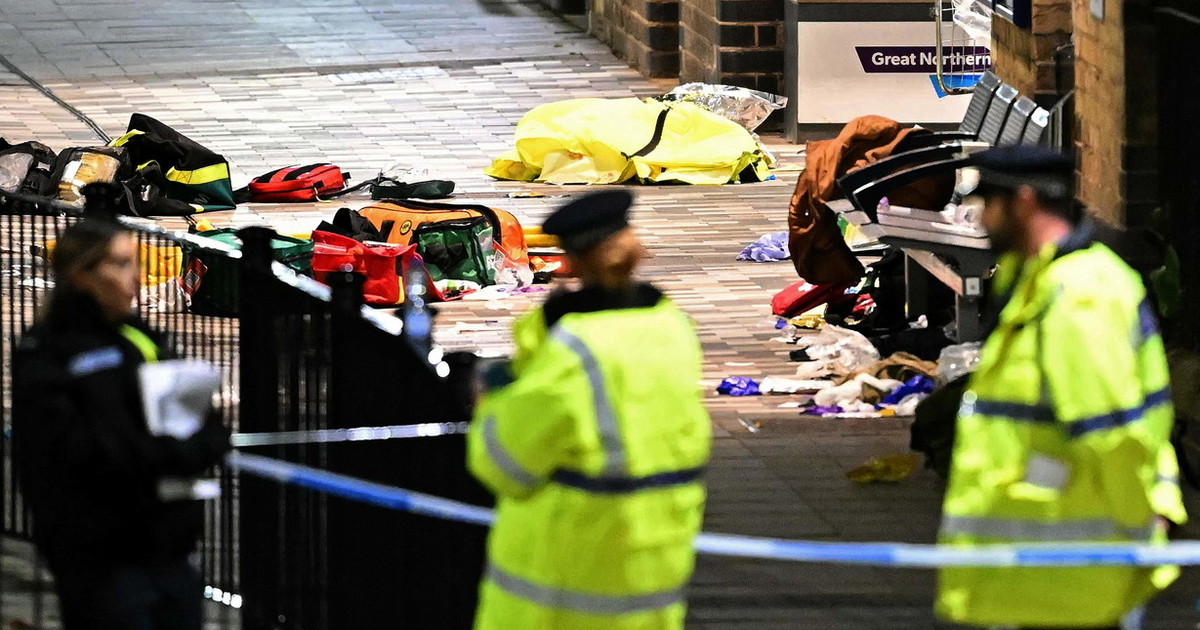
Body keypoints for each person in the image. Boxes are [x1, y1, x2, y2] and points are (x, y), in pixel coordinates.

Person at [936, 146, 1187, 630]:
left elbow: (1112, 434)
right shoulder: (1035, 276)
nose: (981, 217)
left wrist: (1139, 537)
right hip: (1036, 569)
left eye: (989, 203)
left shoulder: (1080, 299)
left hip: (1070, 572)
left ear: (1023, 201)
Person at [466, 190, 712, 630]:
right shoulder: (672, 326)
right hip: (654, 569)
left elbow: (505, 464)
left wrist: (492, 400)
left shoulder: (575, 349)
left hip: (563, 584)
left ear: (570, 262)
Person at [13, 217, 231, 630]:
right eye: (121, 264)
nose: (138, 277)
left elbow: (198, 413)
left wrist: (205, 440)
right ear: (81, 276)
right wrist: (175, 453)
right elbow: (83, 451)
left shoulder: (143, 337)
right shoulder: (47, 351)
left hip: (169, 545)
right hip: (101, 553)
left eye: (135, 262)